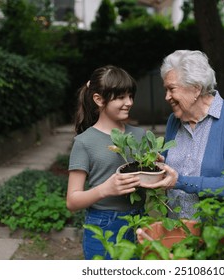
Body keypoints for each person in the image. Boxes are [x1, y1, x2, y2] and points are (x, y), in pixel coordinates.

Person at [140, 50, 224, 220]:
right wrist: (159, 164)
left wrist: (181, 182)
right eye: (165, 90)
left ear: (196, 89)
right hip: (177, 231)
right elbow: (171, 168)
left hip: (216, 234)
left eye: (171, 89)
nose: (166, 97)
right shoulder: (174, 120)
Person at [66, 65, 146, 260]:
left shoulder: (140, 135)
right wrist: (105, 189)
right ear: (98, 99)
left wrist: (155, 168)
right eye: (120, 97)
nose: (128, 102)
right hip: (104, 224)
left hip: (140, 222)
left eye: (130, 96)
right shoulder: (84, 142)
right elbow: (72, 201)